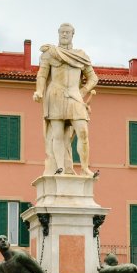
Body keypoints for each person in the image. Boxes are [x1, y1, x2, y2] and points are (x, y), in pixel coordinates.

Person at [34, 23, 98, 176]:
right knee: (57, 134)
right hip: (55, 95)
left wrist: (82, 91)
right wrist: (39, 91)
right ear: (58, 33)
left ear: (72, 34)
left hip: (74, 96)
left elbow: (93, 78)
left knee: (83, 132)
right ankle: (60, 167)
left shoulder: (81, 56)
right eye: (62, 32)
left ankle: (84, 168)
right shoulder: (50, 53)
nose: (64, 35)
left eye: (67, 32)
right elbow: (42, 75)